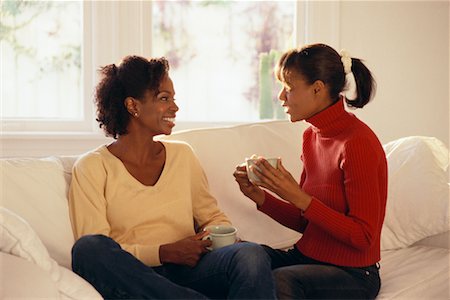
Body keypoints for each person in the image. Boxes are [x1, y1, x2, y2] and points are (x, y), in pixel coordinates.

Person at [68, 55, 276, 299]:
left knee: (251, 254)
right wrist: (164, 252)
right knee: (88, 249)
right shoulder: (92, 167)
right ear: (132, 106)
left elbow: (212, 217)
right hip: (134, 276)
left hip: (191, 269)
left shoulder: (182, 155)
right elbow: (102, 248)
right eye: (164, 98)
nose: (175, 108)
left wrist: (211, 237)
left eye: (173, 99)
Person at [233, 43, 387, 299]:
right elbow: (308, 223)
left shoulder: (358, 143)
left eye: (289, 89)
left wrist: (297, 196)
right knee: (240, 256)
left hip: (353, 274)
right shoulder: (310, 137)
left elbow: (364, 237)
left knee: (280, 280)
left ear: (318, 88)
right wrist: (259, 196)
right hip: (306, 257)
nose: (281, 97)